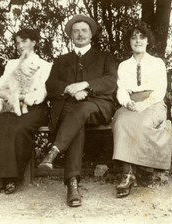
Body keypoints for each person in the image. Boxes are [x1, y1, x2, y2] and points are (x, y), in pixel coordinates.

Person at [38, 14, 117, 207]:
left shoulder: (105, 57)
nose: (80, 34)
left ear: (91, 34)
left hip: (98, 106)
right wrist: (69, 89)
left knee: (81, 110)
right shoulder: (61, 60)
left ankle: (54, 152)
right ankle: (72, 184)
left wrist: (85, 85)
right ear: (70, 36)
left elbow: (111, 82)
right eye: (76, 31)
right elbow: (50, 85)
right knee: (75, 124)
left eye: (84, 30)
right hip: (70, 108)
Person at [0, 29, 52, 196]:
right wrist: (2, 93)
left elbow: (42, 93)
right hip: (10, 105)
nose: (20, 46)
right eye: (17, 43)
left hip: (34, 108)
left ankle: (13, 177)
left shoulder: (45, 65)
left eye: (24, 41)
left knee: (19, 129)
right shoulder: (12, 64)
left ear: (34, 42)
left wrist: (22, 97)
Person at [112, 23, 172, 198]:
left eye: (141, 37)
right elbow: (121, 89)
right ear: (129, 41)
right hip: (131, 102)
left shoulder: (157, 63)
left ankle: (143, 170)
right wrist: (127, 102)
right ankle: (128, 174)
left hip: (154, 103)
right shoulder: (124, 65)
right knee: (121, 120)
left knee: (142, 122)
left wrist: (144, 105)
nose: (137, 40)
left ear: (148, 41)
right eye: (133, 37)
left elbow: (160, 91)